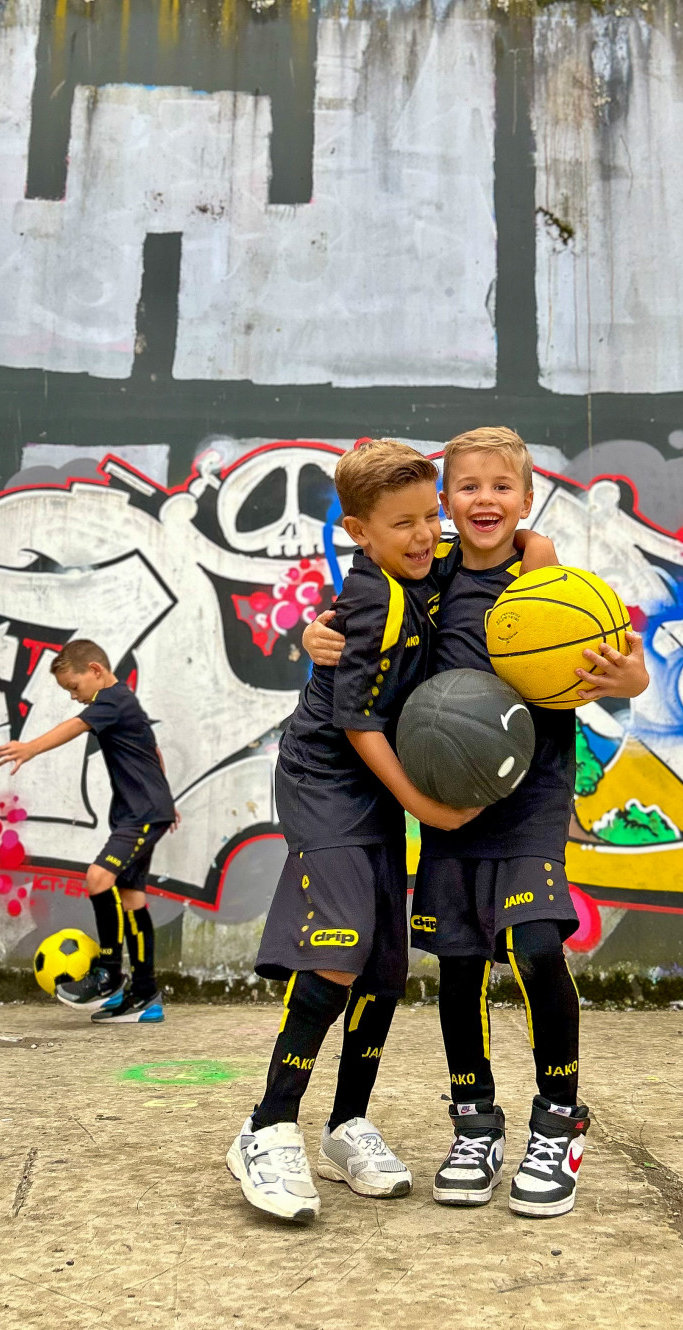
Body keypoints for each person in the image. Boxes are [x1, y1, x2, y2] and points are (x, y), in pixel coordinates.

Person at [304, 425, 648, 1218]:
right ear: (446, 501)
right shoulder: (430, 572)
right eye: (467, 487)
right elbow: (361, 612)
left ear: (526, 500)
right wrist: (315, 631)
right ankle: (474, 1125)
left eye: (501, 486)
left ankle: (559, 1120)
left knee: (533, 947)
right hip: (452, 798)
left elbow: (621, 663)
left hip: (530, 798)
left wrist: (631, 675)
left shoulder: (546, 577)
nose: (484, 499)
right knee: (458, 965)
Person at [225, 438, 491, 1225]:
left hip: (373, 782)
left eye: (431, 516)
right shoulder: (375, 601)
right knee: (339, 947)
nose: (426, 534)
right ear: (358, 531)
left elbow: (503, 547)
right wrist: (427, 808)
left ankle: (345, 1126)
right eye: (404, 523)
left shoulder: (422, 565)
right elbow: (359, 725)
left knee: (381, 966)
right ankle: (267, 1125)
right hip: (327, 777)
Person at [0, 639, 176, 1024]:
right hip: (142, 811)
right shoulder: (123, 702)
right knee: (131, 898)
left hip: (142, 814)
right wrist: (166, 800)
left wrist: (30, 748)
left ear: (95, 670)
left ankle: (108, 974)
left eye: (74, 687)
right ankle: (145, 996)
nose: (75, 697)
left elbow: (75, 726)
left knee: (97, 877)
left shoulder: (112, 699)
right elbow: (153, 750)